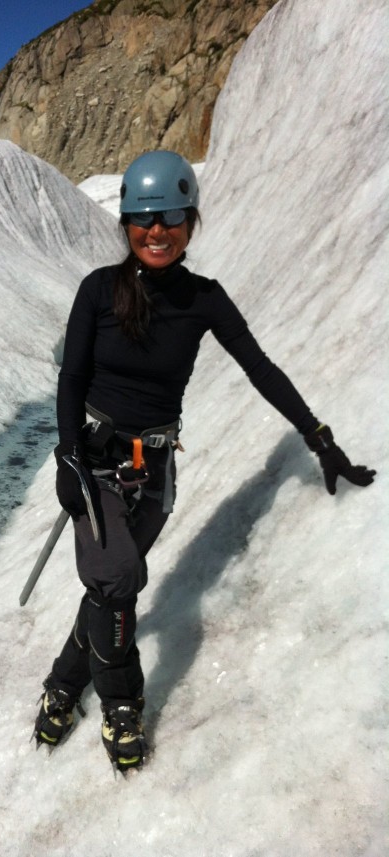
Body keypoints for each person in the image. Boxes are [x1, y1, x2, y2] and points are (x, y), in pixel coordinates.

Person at [32, 151, 375, 772]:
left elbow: (261, 369)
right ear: (128, 224)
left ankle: (62, 682)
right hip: (95, 465)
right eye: (144, 218)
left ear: (190, 223)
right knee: (117, 584)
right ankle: (121, 704)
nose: (157, 231)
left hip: (155, 473)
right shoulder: (97, 292)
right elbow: (72, 376)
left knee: (110, 588)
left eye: (171, 218)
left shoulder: (204, 301)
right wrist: (68, 455)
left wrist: (317, 435)